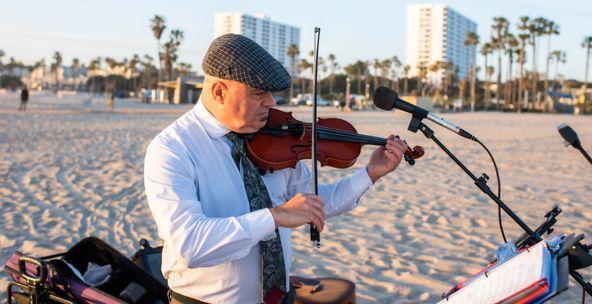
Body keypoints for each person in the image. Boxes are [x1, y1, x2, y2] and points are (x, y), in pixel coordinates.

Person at [144, 34, 408, 304]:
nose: (271, 102)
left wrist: (370, 174)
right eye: (258, 93)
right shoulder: (172, 149)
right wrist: (276, 216)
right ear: (219, 92)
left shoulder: (275, 136)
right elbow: (190, 245)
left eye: (271, 93)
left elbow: (312, 204)